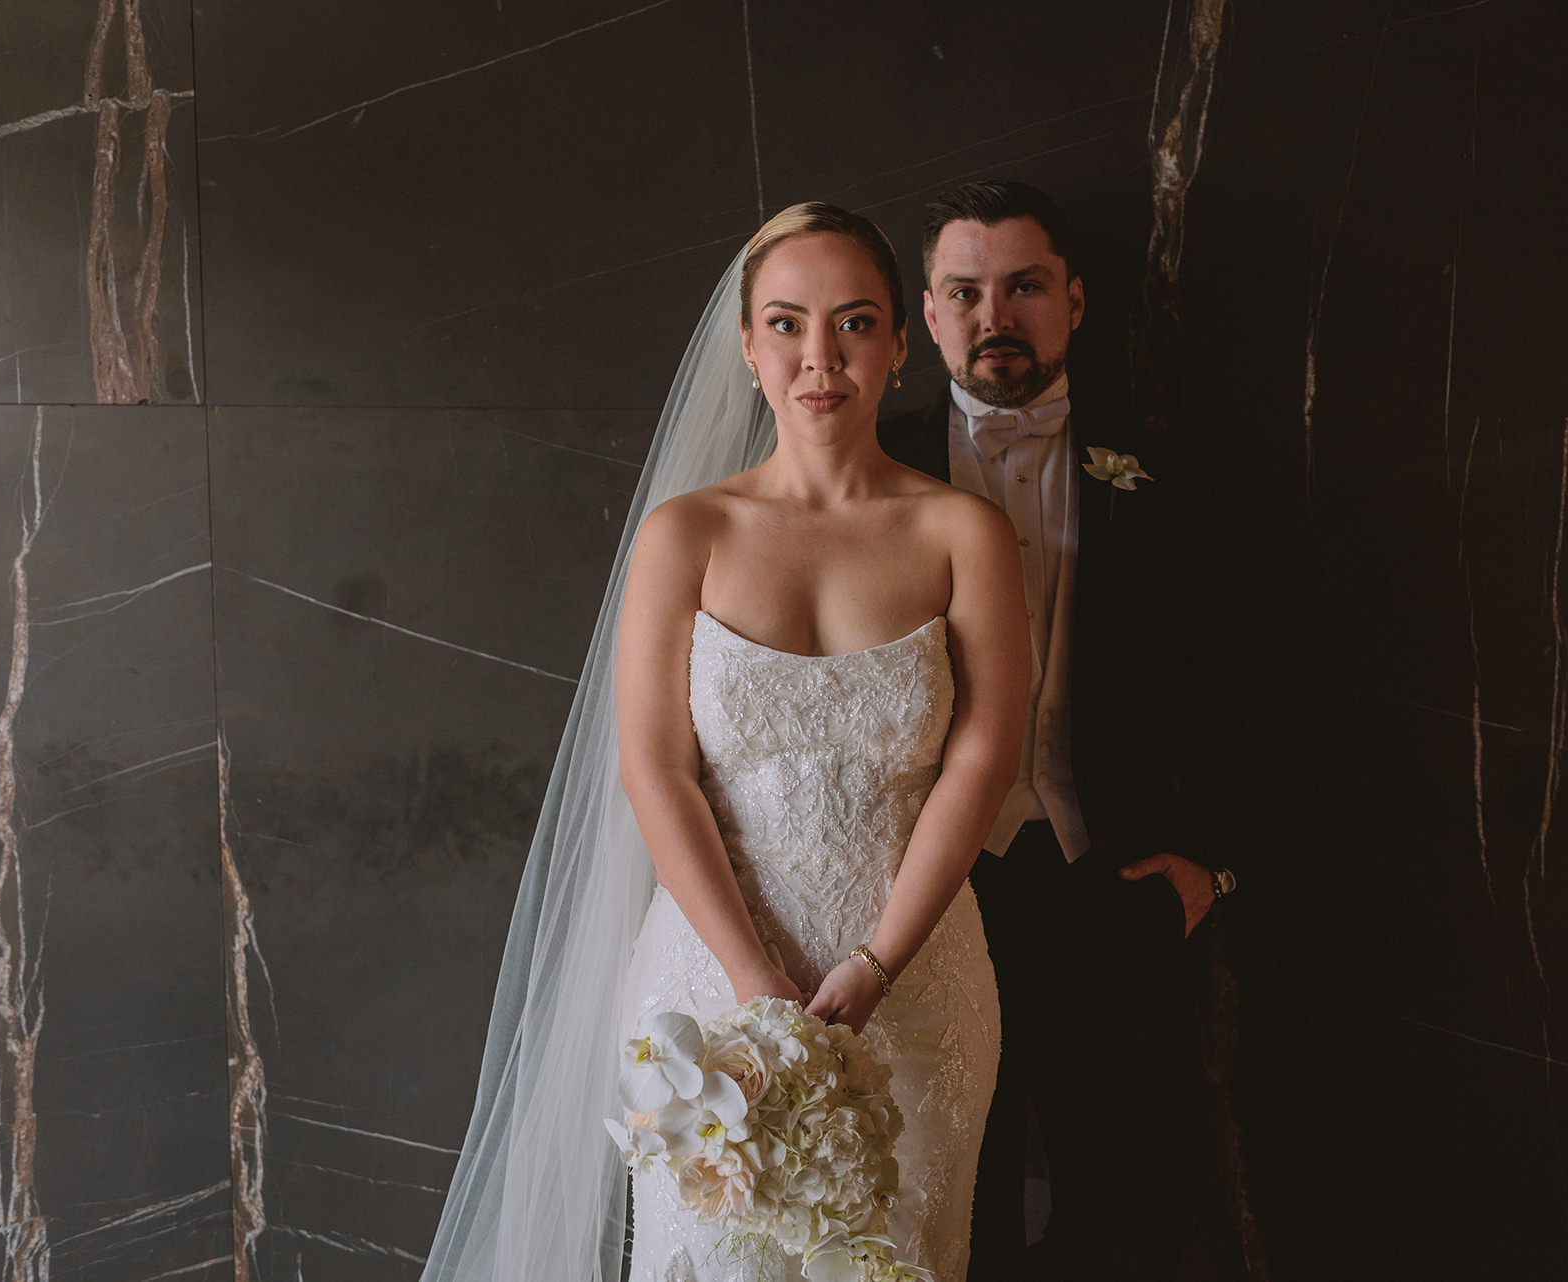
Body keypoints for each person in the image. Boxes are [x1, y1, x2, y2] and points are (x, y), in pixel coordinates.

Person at [418, 203, 1028, 1282]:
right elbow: (655, 768)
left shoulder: (962, 533)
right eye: (787, 324)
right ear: (748, 347)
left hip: (918, 982)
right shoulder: (686, 535)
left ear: (899, 340)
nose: (819, 358)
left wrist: (879, 964)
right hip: (709, 991)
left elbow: (982, 759)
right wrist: (751, 976)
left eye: (854, 322)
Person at [877, 180, 1233, 1280]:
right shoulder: (867, 471)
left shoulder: (1177, 474)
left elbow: (1251, 679)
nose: (996, 316)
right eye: (965, 292)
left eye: (1024, 287)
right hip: (931, 898)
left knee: (1126, 1218)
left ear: (1074, 301)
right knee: (952, 1216)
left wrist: (1213, 867)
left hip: (1114, 886)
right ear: (926, 317)